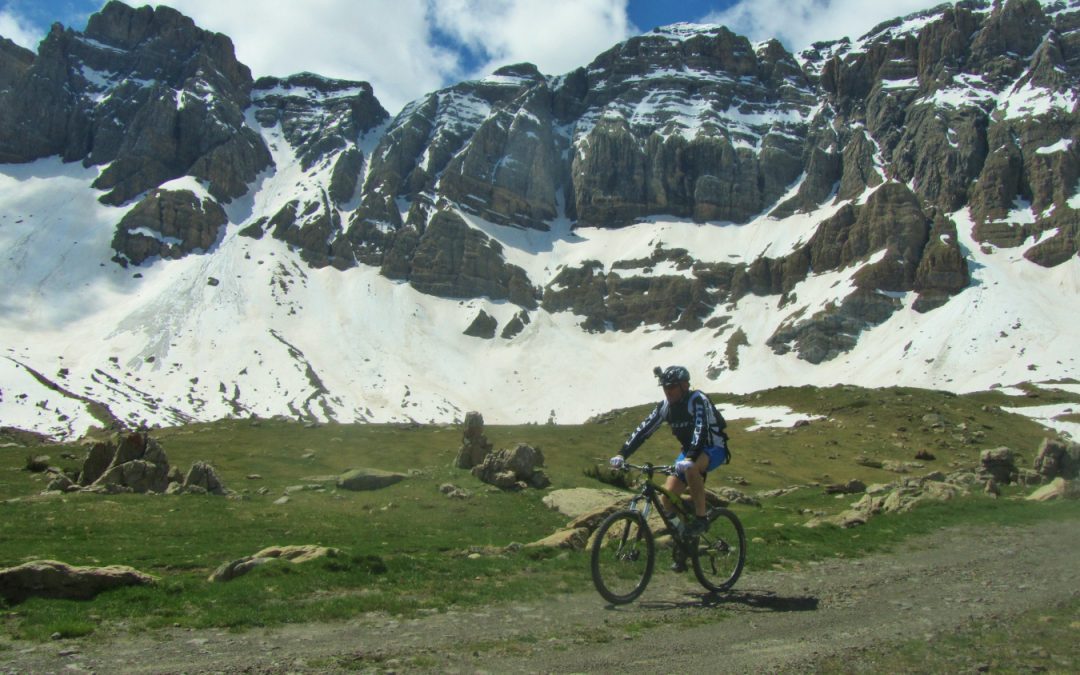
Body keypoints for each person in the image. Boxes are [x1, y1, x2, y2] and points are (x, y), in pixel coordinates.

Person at [609, 366, 729, 563]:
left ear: (684, 385)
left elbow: (700, 429)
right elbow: (643, 430)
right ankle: (685, 537)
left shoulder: (697, 400)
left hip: (713, 447)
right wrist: (622, 454)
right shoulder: (666, 406)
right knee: (667, 497)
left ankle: (701, 518)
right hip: (689, 452)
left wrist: (689, 458)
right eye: (665, 387)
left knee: (691, 468)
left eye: (672, 387)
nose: (668, 391)